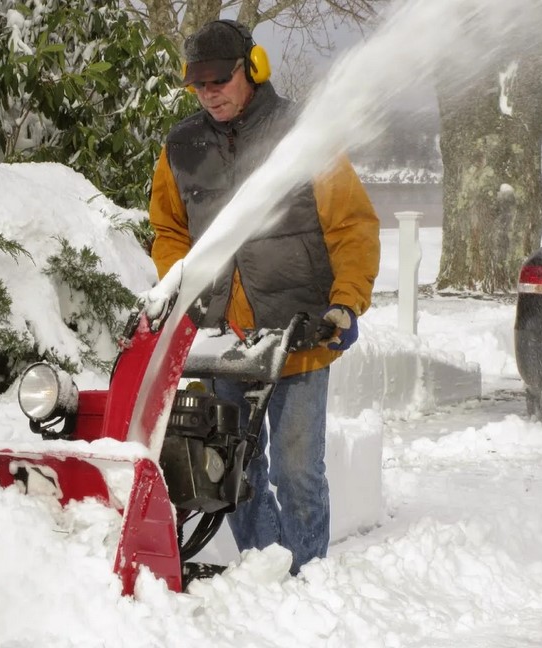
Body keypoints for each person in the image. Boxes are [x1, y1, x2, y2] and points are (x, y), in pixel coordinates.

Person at [148, 19, 380, 575]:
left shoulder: (302, 134)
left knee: (296, 471)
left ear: (253, 70)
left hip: (298, 332)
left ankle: (307, 575)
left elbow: (351, 226)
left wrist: (345, 303)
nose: (209, 93)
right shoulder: (181, 148)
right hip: (223, 338)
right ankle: (263, 571)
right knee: (233, 471)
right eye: (198, 85)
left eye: (219, 80)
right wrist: (187, 293)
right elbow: (170, 231)